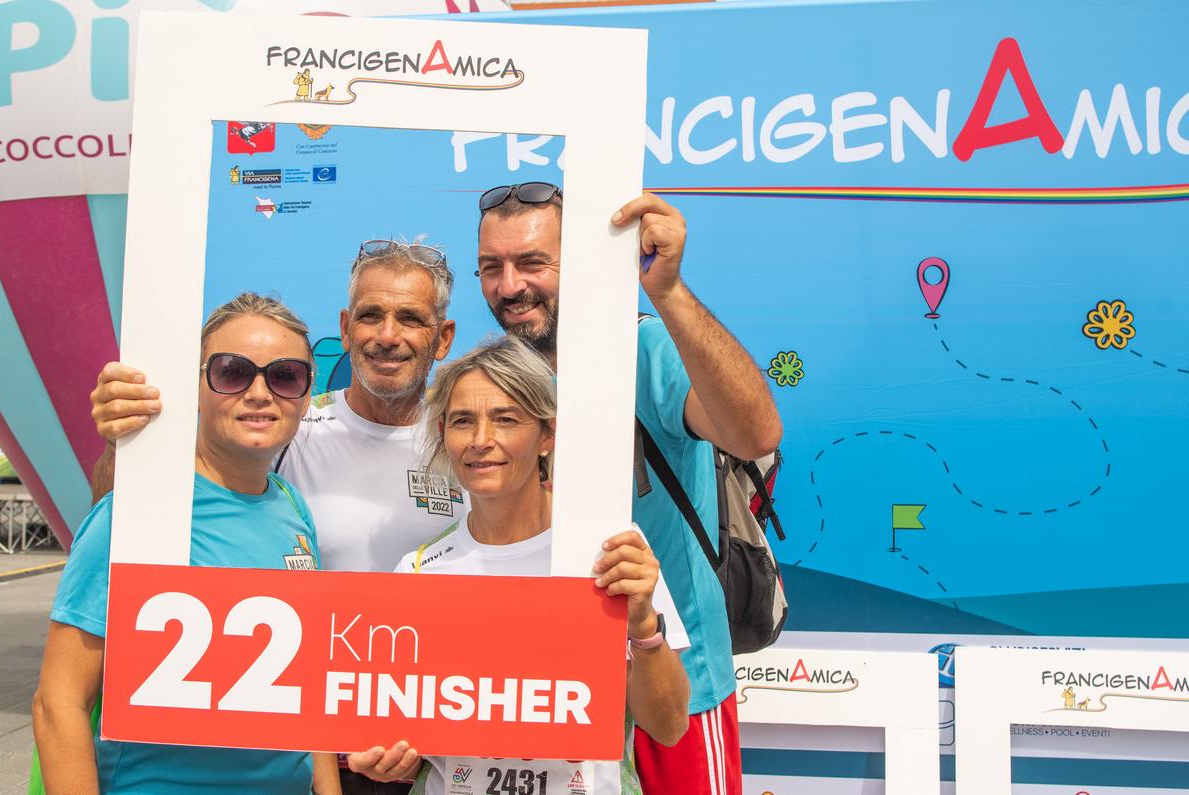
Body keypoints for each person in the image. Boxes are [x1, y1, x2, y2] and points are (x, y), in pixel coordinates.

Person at [86, 240, 464, 793]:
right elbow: (125, 513)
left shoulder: (473, 440)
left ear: (443, 337)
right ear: (346, 327)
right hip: (305, 754)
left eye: (410, 318)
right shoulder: (285, 421)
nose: (388, 335)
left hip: (442, 749)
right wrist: (125, 440)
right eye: (370, 315)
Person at [475, 184, 783, 794]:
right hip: (556, 692)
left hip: (676, 685)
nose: (510, 286)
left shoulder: (643, 348)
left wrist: (668, 291)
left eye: (533, 262)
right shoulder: (492, 379)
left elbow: (756, 434)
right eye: (491, 267)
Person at [348, 336, 690, 792]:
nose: (481, 441)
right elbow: (398, 736)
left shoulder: (609, 552)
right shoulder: (419, 571)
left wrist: (644, 624)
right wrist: (385, 756)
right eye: (463, 421)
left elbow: (669, 727)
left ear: (547, 435)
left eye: (506, 419)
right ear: (443, 433)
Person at [32, 293, 340, 794]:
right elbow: (58, 703)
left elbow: (306, 689)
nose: (259, 393)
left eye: (285, 376)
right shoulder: (137, 512)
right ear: (195, 386)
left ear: (306, 396)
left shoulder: (292, 508)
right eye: (232, 372)